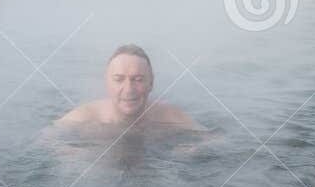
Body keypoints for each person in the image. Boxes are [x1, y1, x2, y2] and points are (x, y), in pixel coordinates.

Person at [51, 45, 203, 134]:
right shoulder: (82, 119)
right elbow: (45, 142)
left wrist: (193, 149)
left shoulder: (169, 118)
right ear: (107, 83)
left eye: (138, 79)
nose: (129, 89)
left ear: (151, 83)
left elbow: (214, 140)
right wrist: (68, 154)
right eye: (118, 79)